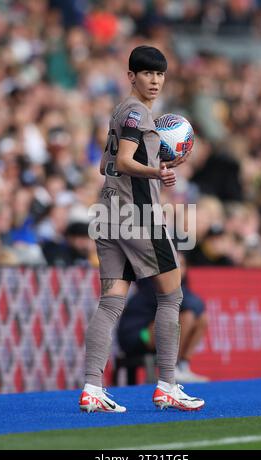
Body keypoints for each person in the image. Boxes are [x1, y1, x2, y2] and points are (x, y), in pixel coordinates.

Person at [79, 45, 205, 413]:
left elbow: (106, 167)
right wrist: (159, 171)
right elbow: (123, 161)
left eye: (159, 74)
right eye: (147, 73)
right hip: (137, 215)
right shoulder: (136, 112)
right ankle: (167, 383)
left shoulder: (121, 111)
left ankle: (91, 387)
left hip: (108, 214)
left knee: (111, 303)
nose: (154, 80)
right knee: (171, 297)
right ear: (131, 75)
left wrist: (156, 159)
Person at [117, 252, 209, 383]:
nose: (178, 269)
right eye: (175, 265)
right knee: (186, 317)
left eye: (182, 265)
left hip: (152, 332)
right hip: (137, 336)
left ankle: (183, 366)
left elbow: (198, 306)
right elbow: (194, 304)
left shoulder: (179, 287)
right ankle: (171, 368)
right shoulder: (154, 283)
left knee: (202, 318)